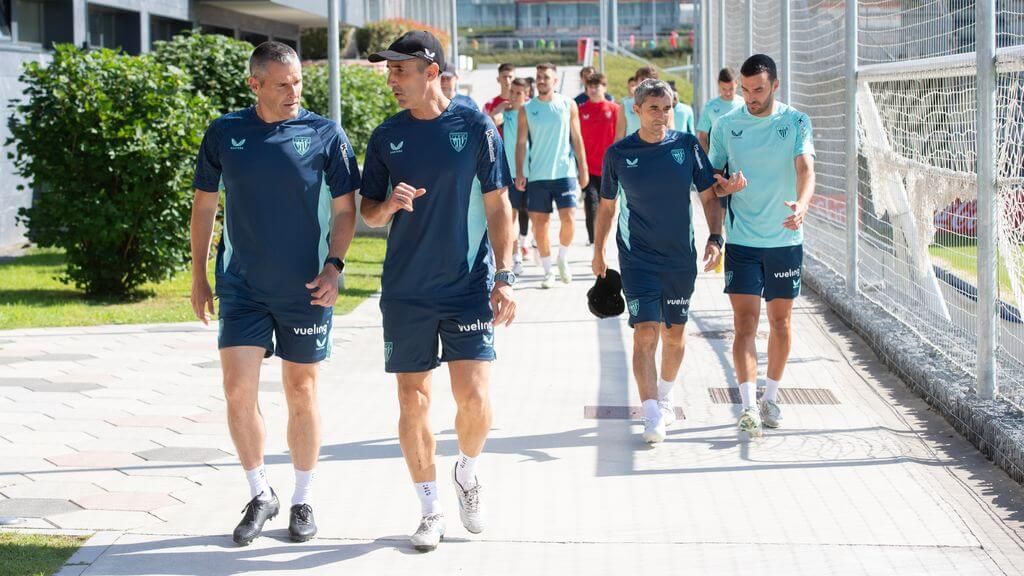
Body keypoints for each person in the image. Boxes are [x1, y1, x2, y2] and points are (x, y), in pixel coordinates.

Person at [190, 41, 360, 545]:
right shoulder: (225, 132)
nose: (294, 92)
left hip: (306, 287)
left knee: (301, 391)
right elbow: (204, 206)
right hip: (242, 285)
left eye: (298, 82)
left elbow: (346, 210)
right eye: (283, 84)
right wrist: (199, 275)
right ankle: (260, 492)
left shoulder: (325, 133)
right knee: (237, 390)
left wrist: (334, 267)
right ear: (255, 84)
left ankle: (303, 498)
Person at [360, 31, 516, 552]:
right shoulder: (386, 136)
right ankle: (430, 510)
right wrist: (389, 206)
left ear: (431, 71)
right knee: (413, 400)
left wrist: (505, 276)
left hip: (467, 285)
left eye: (399, 70)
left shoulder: (474, 126)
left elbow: (498, 204)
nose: (391, 79)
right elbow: (368, 212)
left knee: (474, 398)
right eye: (389, 70)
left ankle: (466, 472)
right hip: (406, 290)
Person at [592, 78, 740, 443]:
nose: (661, 116)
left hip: (679, 259)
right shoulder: (618, 154)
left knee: (674, 334)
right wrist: (598, 251)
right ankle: (651, 413)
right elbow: (607, 207)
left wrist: (716, 237)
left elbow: (709, 196)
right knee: (645, 332)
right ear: (637, 110)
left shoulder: (686, 146)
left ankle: (665, 395)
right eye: (653, 109)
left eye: (667, 108)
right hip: (637, 259)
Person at [707, 54, 816, 437]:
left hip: (785, 239)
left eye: (758, 89)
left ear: (775, 86)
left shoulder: (796, 121)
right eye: (746, 89)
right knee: (745, 324)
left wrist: (802, 205)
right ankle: (748, 406)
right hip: (743, 241)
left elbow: (806, 169)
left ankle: (771, 397)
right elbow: (711, 181)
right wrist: (726, 187)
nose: (750, 97)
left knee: (781, 322)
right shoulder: (726, 125)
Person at [515, 63, 589, 289]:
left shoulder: (568, 104)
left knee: (569, 218)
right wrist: (520, 171)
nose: (541, 80)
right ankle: (548, 271)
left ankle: (562, 257)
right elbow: (520, 143)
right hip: (538, 176)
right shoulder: (527, 109)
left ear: (555, 81)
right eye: (538, 77)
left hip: (565, 173)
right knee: (540, 225)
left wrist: (583, 168)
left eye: (546, 77)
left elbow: (577, 138)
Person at [578, 72, 618, 246]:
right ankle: (594, 239)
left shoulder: (615, 109)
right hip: (588, 167)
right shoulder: (580, 110)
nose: (593, 90)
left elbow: (620, 136)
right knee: (591, 202)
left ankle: (604, 236)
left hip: (609, 168)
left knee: (607, 206)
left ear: (605, 88)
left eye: (597, 86)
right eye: (590, 87)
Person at [503, 78, 533, 275]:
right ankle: (516, 259)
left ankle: (528, 242)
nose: (514, 96)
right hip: (510, 174)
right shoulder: (505, 114)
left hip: (534, 172)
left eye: (518, 93)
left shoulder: (532, 113)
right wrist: (499, 108)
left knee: (533, 215)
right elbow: (491, 119)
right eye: (512, 92)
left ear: (526, 94)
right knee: (510, 217)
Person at [697, 67, 744, 152]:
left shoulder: (744, 104)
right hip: (718, 157)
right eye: (724, 89)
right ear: (718, 84)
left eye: (731, 89)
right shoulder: (710, 106)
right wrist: (705, 158)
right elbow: (702, 137)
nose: (728, 93)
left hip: (740, 155)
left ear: (736, 83)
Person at [616, 66, 659, 140]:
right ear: (636, 82)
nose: (646, 82)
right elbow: (619, 138)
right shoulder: (626, 105)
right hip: (632, 146)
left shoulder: (662, 105)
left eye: (650, 79)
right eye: (642, 79)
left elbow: (670, 131)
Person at [483, 62, 516, 135]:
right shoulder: (488, 104)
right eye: (504, 77)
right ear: (498, 79)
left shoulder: (525, 102)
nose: (507, 80)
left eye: (510, 77)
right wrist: (497, 110)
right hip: (496, 142)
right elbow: (483, 128)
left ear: (515, 79)